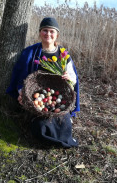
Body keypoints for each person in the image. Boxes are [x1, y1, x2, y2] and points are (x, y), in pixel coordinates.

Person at [6, 17, 80, 148]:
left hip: (59, 94)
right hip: (37, 95)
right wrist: (21, 92)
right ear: (40, 32)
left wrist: (68, 77)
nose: (48, 34)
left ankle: (62, 141)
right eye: (45, 30)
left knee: (64, 123)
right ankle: (47, 141)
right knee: (40, 125)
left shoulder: (63, 54)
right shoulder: (30, 52)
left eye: (52, 31)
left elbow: (73, 78)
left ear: (57, 34)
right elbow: (21, 76)